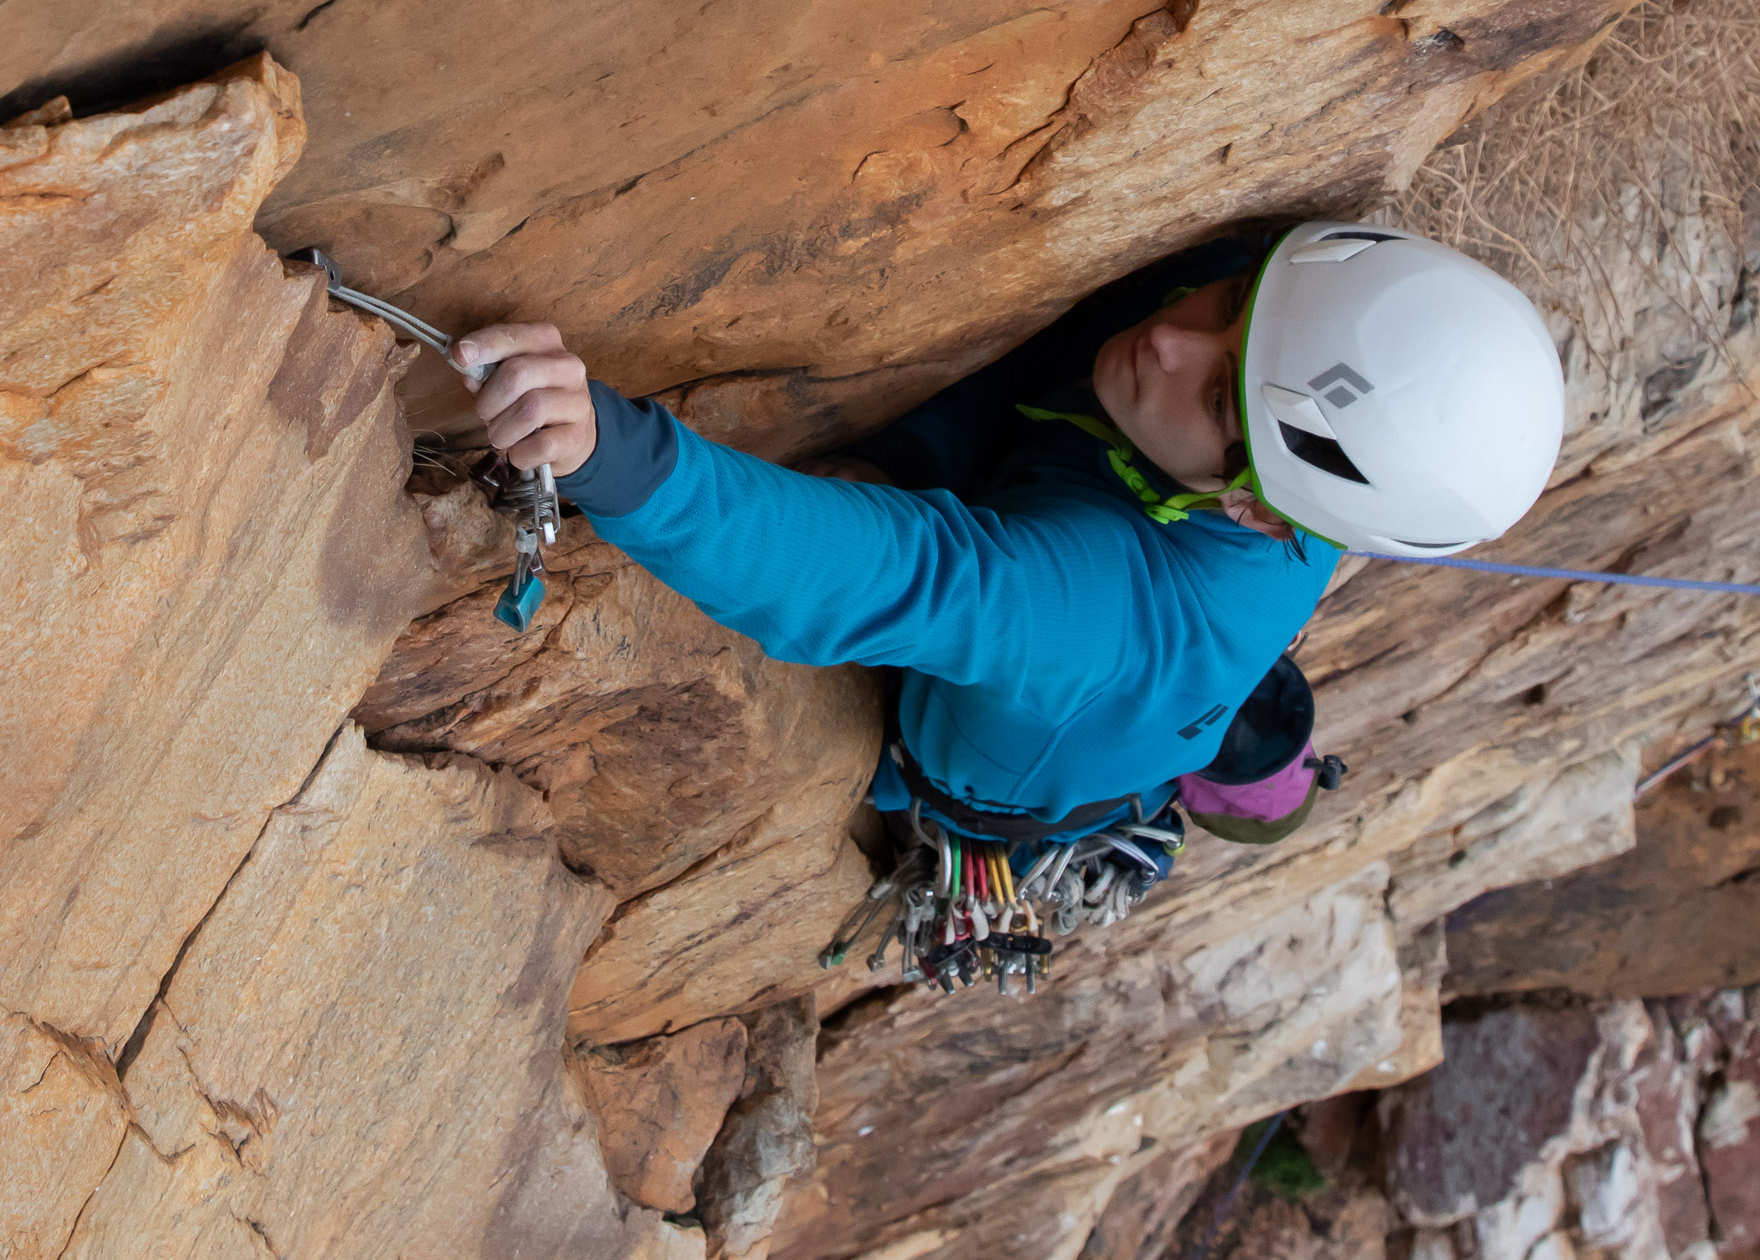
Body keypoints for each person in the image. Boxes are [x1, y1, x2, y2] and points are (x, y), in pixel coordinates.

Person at [444, 221, 1565, 846]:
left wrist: (612, 451)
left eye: (1220, 398)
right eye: (1230, 308)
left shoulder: (1098, 620)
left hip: (1003, 774)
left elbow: (900, 576)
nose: (1172, 339)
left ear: (1255, 508)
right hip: (1125, 622)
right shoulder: (1302, 363)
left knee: (921, 566)